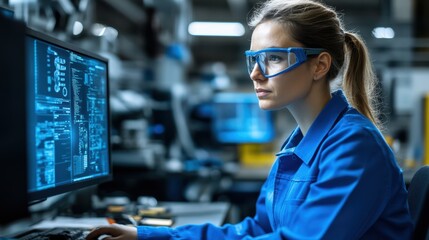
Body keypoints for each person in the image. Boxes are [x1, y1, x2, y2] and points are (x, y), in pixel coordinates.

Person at [87, 0, 414, 239]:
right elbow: (259, 230)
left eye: (273, 58)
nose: (256, 74)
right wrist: (148, 236)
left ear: (319, 65)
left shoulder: (354, 147)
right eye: (253, 60)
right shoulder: (297, 146)